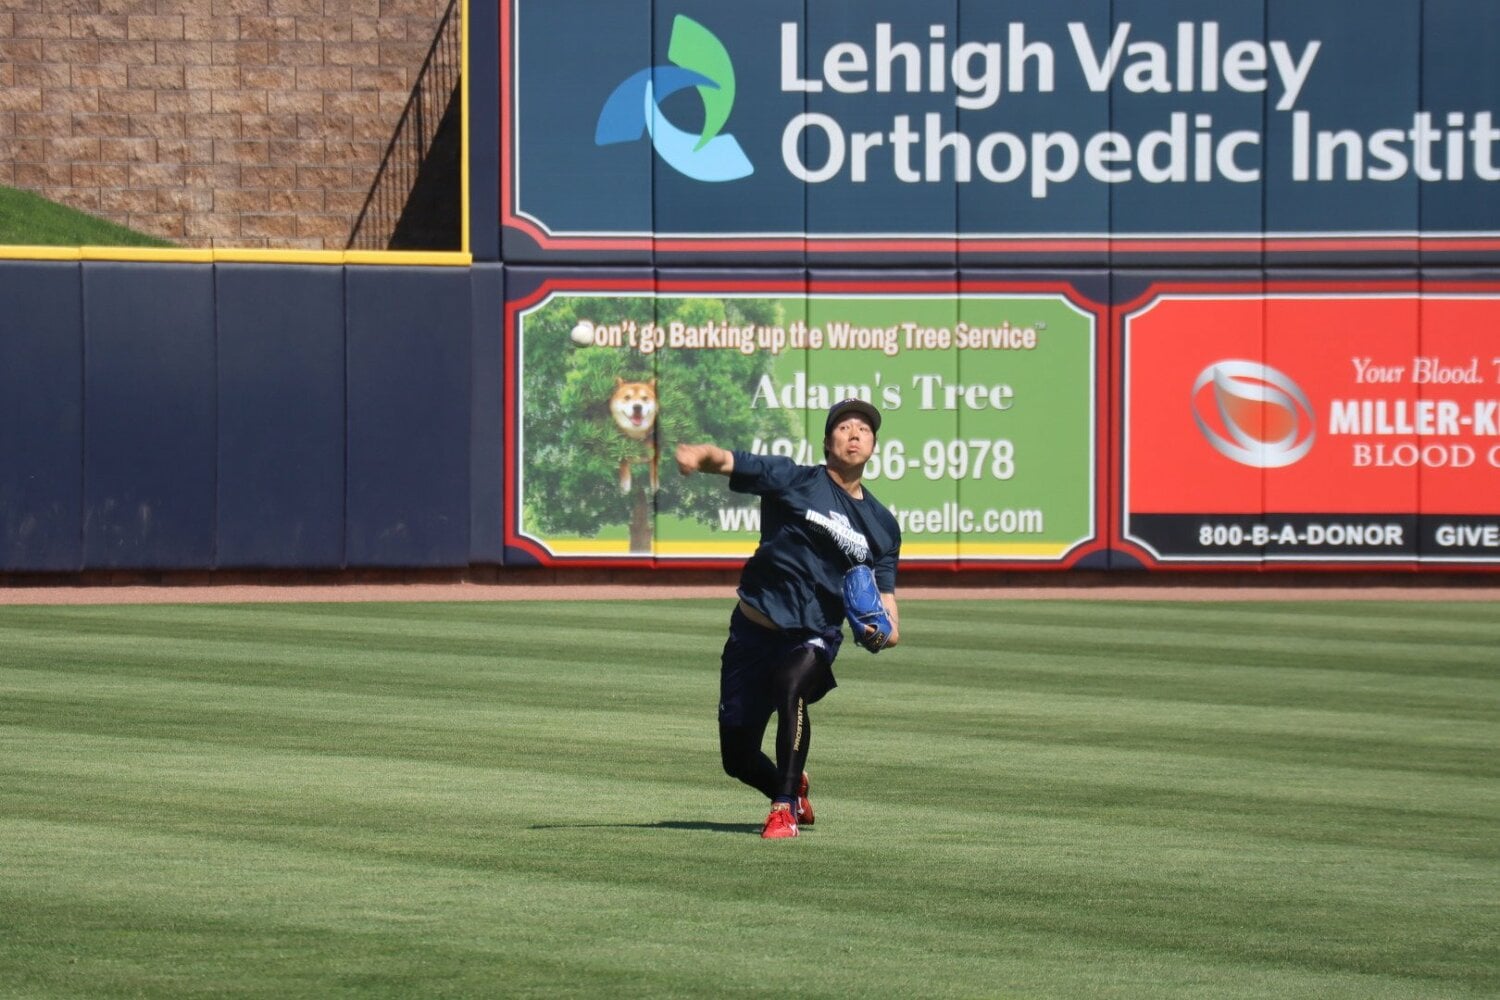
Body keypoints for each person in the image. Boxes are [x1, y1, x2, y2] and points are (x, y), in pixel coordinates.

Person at [674, 398, 902, 839]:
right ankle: (793, 786)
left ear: (874, 446)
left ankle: (782, 810)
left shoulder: (882, 526)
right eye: (844, 426)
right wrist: (697, 456)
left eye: (864, 429)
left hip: (813, 635)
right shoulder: (793, 480)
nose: (854, 434)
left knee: (790, 685)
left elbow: (889, 612)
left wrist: (881, 634)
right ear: (826, 441)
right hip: (752, 632)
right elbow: (726, 460)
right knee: (737, 758)